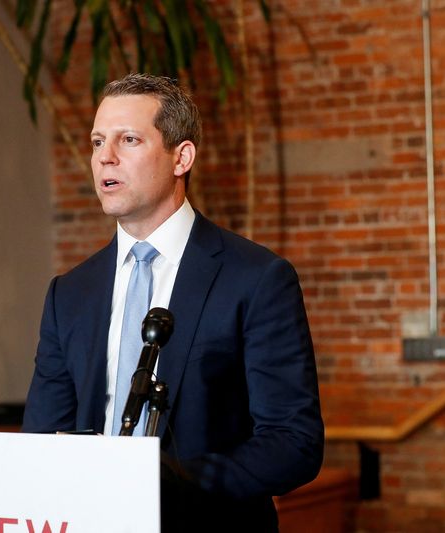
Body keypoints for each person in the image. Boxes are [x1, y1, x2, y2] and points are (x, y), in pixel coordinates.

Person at [22, 72, 324, 532]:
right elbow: (41, 440)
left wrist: (166, 483)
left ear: (181, 157)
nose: (105, 157)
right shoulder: (70, 293)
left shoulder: (257, 278)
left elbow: (293, 443)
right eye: (98, 141)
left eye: (129, 140)